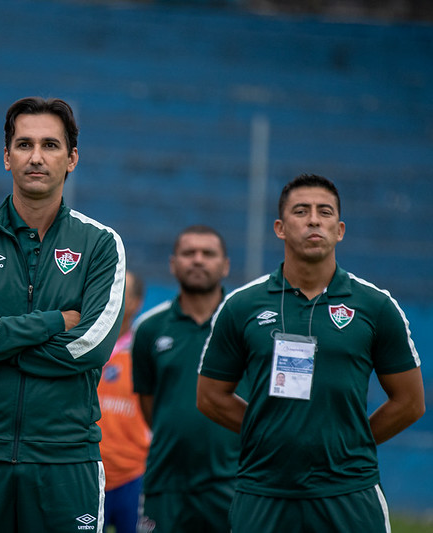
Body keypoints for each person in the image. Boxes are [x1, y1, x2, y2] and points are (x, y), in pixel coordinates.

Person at [0, 96, 126, 531]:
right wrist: (55, 322)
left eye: (51, 145)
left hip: (65, 456)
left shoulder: (101, 243)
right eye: (24, 144)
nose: (36, 157)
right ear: (6, 156)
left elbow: (91, 348)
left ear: (72, 158)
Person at [197, 174, 425, 533]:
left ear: (340, 230)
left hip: (349, 491)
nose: (314, 220)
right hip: (264, 490)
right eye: (301, 211)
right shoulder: (241, 306)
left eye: (325, 212)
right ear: (280, 228)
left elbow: (411, 402)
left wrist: (349, 441)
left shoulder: (376, 306)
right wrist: (269, 433)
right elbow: (210, 397)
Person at [132, 225, 241, 532]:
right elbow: (149, 402)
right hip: (167, 483)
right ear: (173, 263)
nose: (197, 260)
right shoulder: (149, 328)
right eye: (188, 253)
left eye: (208, 254)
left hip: (234, 482)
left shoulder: (244, 324)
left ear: (225, 265)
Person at [97, 270, 150, 533]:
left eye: (120, 292)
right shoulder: (80, 346)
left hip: (134, 475)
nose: (111, 298)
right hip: (87, 473)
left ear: (137, 303)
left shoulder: (147, 350)